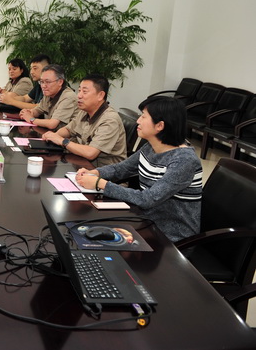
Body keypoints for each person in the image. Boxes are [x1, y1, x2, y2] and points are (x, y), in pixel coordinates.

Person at [74, 96, 203, 242]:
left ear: (160, 125)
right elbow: (122, 169)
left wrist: (100, 183)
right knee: (84, 228)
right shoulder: (152, 146)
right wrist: (95, 172)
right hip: (145, 219)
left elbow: (147, 199)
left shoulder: (184, 161)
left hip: (170, 235)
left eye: (143, 116)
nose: (138, 121)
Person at [42, 73, 126, 166]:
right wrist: (54, 136)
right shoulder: (85, 110)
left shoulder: (110, 120)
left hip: (103, 170)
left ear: (100, 95)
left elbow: (90, 153)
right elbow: (68, 129)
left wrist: (62, 141)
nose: (79, 95)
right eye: (79, 91)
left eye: (84, 92)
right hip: (82, 163)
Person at [19, 64, 78, 130]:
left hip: (67, 136)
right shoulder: (49, 93)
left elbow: (52, 124)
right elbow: (38, 110)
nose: (43, 86)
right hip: (51, 133)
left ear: (60, 82)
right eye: (42, 82)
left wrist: (31, 119)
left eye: (48, 82)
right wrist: (28, 112)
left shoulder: (68, 97)